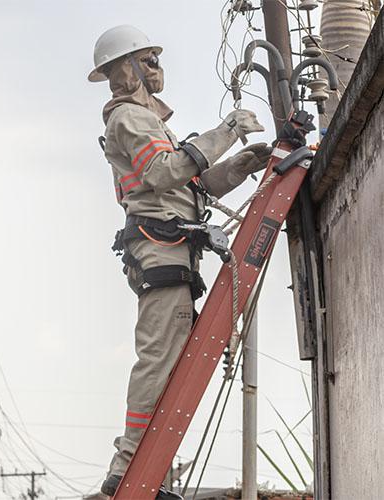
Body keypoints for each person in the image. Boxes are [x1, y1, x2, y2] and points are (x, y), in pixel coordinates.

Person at [86, 25, 273, 499]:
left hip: (172, 250)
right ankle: (129, 466)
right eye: (147, 60)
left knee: (171, 363)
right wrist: (227, 131)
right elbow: (163, 171)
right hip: (159, 250)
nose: (156, 68)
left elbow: (195, 185)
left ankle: (152, 473)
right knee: (159, 359)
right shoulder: (129, 118)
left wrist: (242, 163)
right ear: (124, 69)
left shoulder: (152, 122)